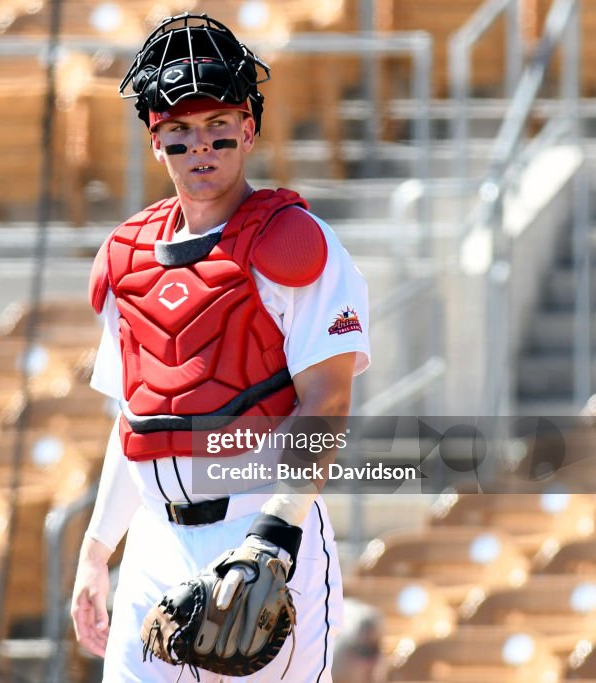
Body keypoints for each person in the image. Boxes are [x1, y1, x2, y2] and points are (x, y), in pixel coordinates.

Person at [70, 13, 371, 682]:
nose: (200, 147)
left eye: (218, 128)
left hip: (262, 530)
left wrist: (276, 534)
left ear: (249, 128)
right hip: (154, 541)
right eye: (178, 133)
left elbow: (327, 400)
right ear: (156, 142)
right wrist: (97, 547)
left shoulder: (295, 245)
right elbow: (135, 419)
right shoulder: (125, 257)